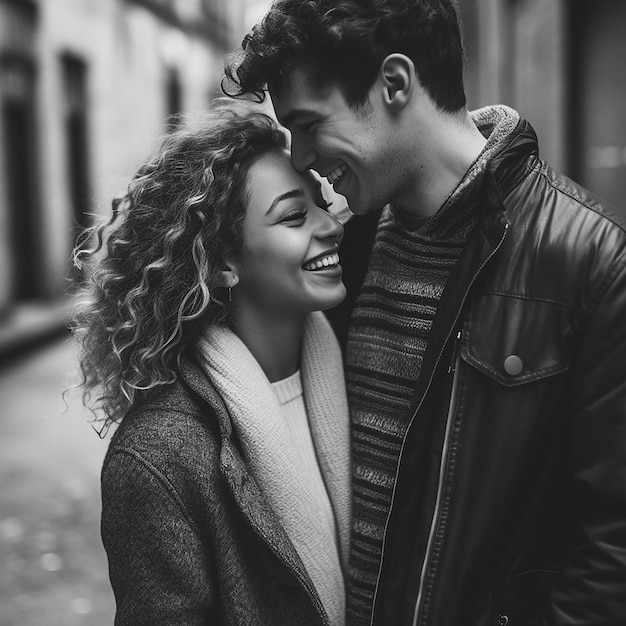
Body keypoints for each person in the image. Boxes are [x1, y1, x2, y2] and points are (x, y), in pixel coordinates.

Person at [223, 1, 626, 624]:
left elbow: (613, 551)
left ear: (394, 83)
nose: (299, 156)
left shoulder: (589, 262)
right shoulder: (343, 252)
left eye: (307, 122)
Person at [70, 99, 352, 625]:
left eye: (319, 201)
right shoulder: (158, 456)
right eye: (294, 215)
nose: (330, 224)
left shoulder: (364, 372)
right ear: (222, 262)